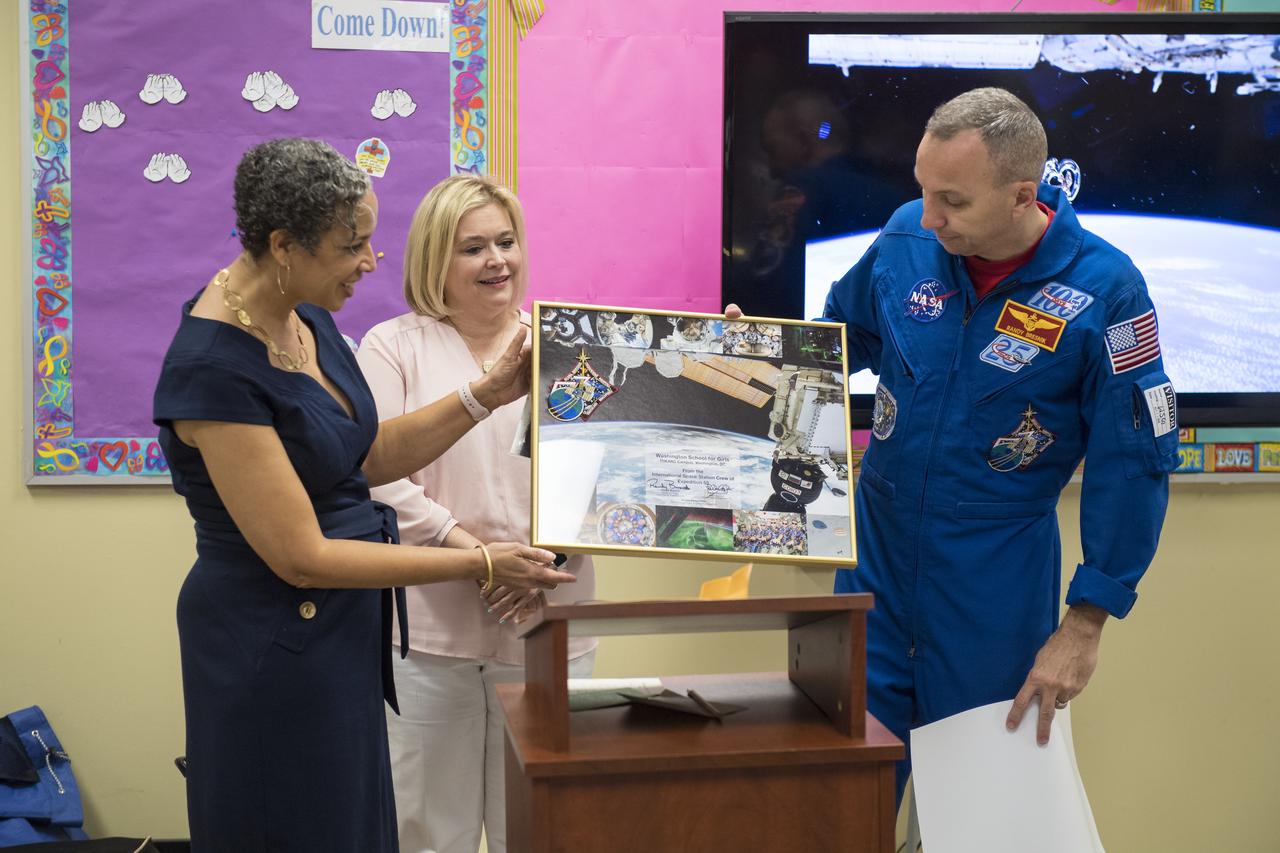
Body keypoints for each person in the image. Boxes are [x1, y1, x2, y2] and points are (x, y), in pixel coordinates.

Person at [731, 87, 1178, 801]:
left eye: (954, 201)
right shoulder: (908, 238)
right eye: (923, 191)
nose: (928, 216)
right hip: (872, 578)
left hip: (993, 590)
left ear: (1021, 196)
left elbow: (1137, 463)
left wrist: (1085, 623)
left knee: (980, 814)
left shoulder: (1107, 290)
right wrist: (756, 351)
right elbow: (840, 343)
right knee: (842, 805)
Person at [152, 139, 577, 853]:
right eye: (352, 245)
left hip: (342, 635)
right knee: (290, 825)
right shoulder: (212, 369)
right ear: (285, 245)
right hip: (270, 641)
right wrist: (478, 562)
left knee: (361, 828)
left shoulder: (306, 316)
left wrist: (486, 395)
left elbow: (366, 453)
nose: (372, 262)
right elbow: (303, 555)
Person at [356, 175, 596, 853]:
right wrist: (476, 556)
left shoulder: (573, 345)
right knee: (429, 830)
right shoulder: (391, 347)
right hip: (428, 635)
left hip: (547, 621)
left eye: (506, 241)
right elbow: (377, 477)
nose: (497, 260)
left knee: (543, 827)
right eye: (473, 248)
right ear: (436, 259)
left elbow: (610, 474)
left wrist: (541, 564)